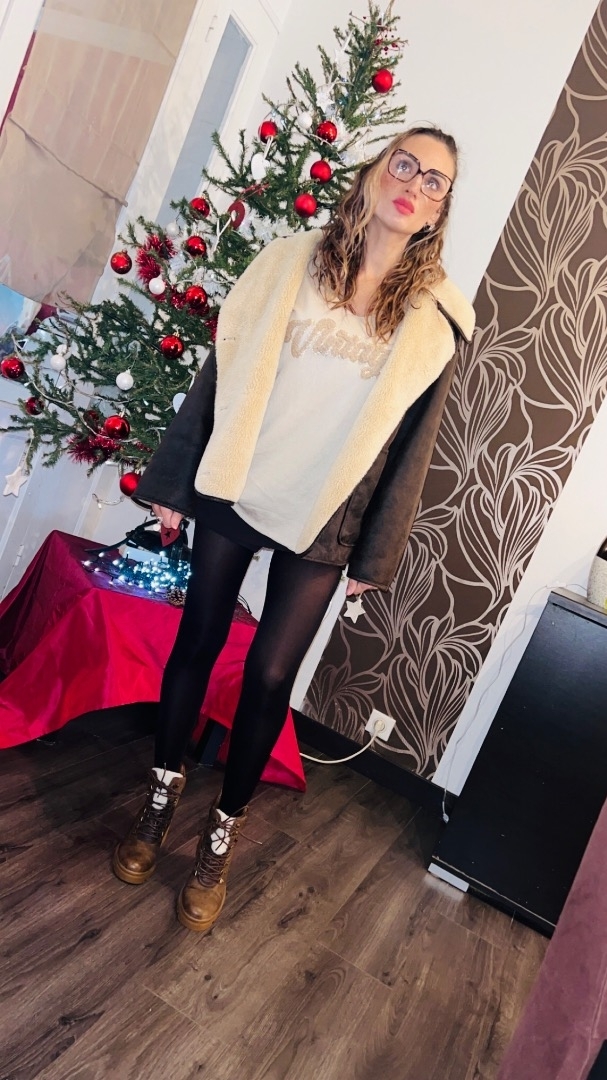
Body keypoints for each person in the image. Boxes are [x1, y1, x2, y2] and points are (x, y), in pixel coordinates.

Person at [112, 125, 475, 934]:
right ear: (376, 172)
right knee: (197, 641)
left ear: (438, 210)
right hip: (238, 481)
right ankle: (158, 800)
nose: (414, 184)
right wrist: (175, 480)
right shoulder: (290, 261)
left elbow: (413, 447)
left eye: (434, 181)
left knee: (271, 676)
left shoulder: (433, 320)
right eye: (405, 164)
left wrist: (377, 550)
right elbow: (223, 370)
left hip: (325, 515)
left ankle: (219, 838)